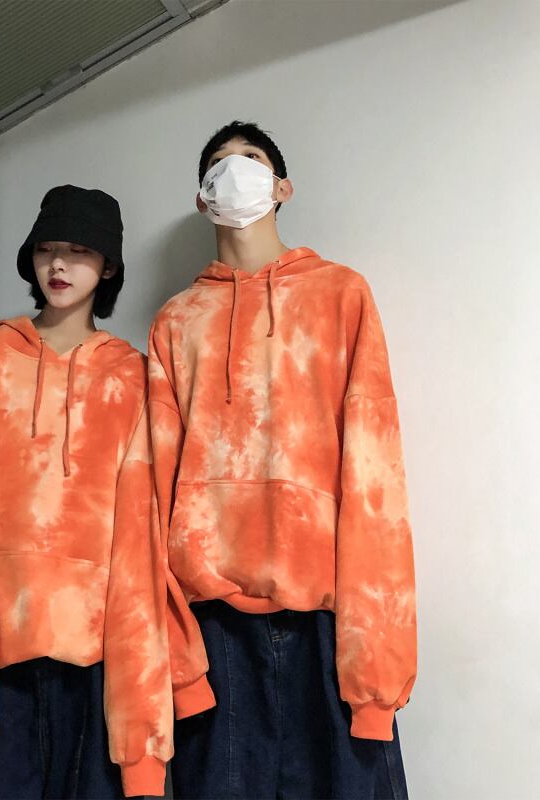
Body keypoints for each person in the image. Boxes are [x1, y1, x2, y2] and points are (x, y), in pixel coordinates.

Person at [148, 121, 417, 799]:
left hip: (328, 622)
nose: (234, 169)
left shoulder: (340, 294)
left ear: (282, 187)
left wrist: (376, 674)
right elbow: (151, 495)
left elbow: (375, 477)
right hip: (213, 628)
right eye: (218, 163)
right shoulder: (177, 320)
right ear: (204, 198)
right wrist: (178, 664)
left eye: (251, 158)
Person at [0, 184, 214, 800]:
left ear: (107, 266)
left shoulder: (131, 375)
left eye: (79, 251)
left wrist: (147, 724)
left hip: (98, 662)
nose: (58, 264)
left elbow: (140, 541)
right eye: (46, 249)